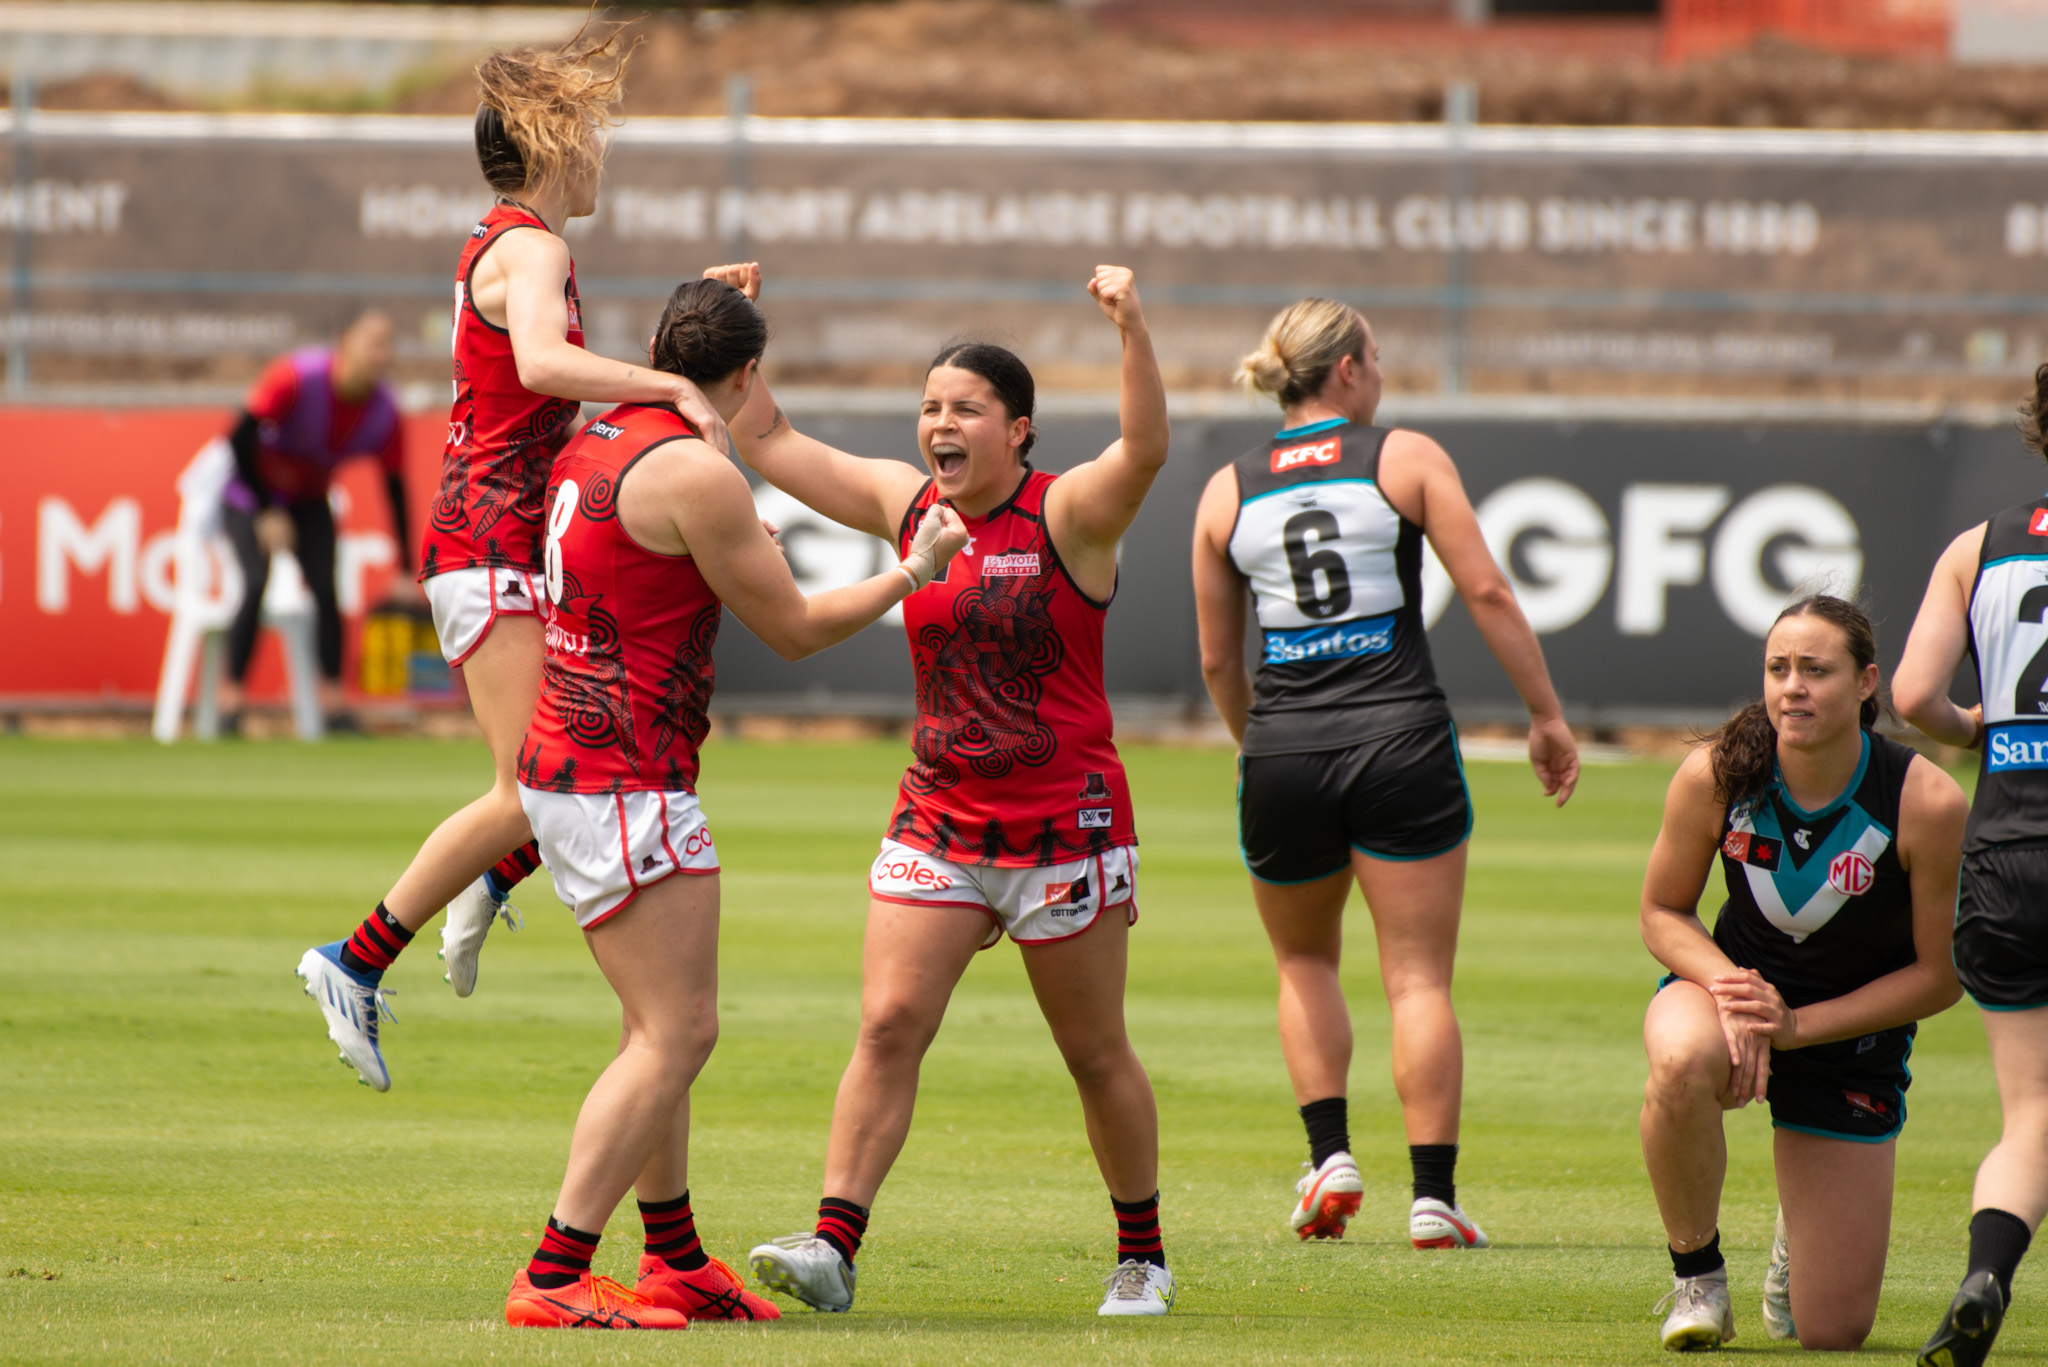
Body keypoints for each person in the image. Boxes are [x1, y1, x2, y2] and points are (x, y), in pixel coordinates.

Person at [501, 277, 967, 1329]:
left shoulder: (596, 435)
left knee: (649, 1027)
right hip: (625, 775)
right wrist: (912, 571)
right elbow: (796, 626)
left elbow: (715, 388)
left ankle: (671, 1256)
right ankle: (553, 1268)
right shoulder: (693, 475)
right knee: (677, 1033)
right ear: (745, 374)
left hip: (569, 758)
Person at [718, 260, 1178, 1317]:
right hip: (938, 816)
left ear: (1017, 429)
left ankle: (1141, 1254)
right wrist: (737, 326)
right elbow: (768, 438)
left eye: (965, 406)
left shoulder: (1068, 517)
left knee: (1092, 1050)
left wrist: (1131, 327)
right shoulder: (905, 503)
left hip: (1065, 830)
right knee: (886, 1022)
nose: (940, 420)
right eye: (929, 404)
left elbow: (1145, 448)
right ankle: (834, 1241)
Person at [295, 27, 730, 1091]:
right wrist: (668, 386)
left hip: (498, 535)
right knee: (535, 784)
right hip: (487, 537)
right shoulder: (532, 249)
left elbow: (536, 367)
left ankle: (481, 888)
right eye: (590, 135)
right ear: (550, 143)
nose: (600, 157)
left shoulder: (509, 241)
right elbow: (542, 362)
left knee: (562, 769)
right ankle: (353, 958)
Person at [1189, 299, 1578, 1249]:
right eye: (1380, 358)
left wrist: (1262, 746)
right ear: (1351, 371)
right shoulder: (1403, 456)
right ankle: (1433, 1198)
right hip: (1401, 739)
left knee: (1303, 959)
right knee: (1416, 979)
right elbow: (1485, 588)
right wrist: (1545, 715)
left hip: (1282, 748)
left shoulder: (1223, 491)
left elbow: (1216, 664)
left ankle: (1329, 1157)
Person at [1639, 596, 1964, 1352]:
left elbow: (1938, 976)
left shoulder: (1926, 799)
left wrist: (1795, 1028)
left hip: (1849, 1041)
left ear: (1865, 683)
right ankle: (1698, 1276)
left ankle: (1799, 1237)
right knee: (1681, 1056)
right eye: (1778, 668)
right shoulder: (1716, 773)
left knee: (1832, 1332)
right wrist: (1737, 997)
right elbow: (1662, 912)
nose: (1793, 686)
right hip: (1726, 1000)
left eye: (1816, 670)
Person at [1893, 369, 2048, 1367]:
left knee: (2028, 1107)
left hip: (2005, 854)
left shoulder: (1976, 547)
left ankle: (1985, 1267)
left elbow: (1911, 693)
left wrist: (1973, 728)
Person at [217, 309, 411, 734]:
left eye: (387, 345)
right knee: (254, 582)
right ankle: (230, 704)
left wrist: (406, 567)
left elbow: (394, 485)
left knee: (326, 589)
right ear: (344, 341)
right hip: (251, 494)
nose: (381, 354)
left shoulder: (384, 411)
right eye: (372, 342)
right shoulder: (296, 377)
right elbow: (239, 438)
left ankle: (335, 706)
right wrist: (266, 510)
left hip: (308, 499)